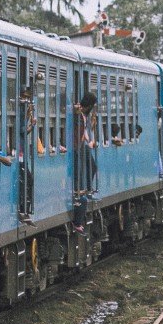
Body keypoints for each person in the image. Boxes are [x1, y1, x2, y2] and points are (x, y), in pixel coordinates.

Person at [72, 89, 98, 234]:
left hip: (81, 146)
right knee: (85, 170)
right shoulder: (79, 112)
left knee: (92, 166)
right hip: (77, 148)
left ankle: (87, 190)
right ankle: (84, 191)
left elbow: (85, 133)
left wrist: (90, 141)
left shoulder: (83, 115)